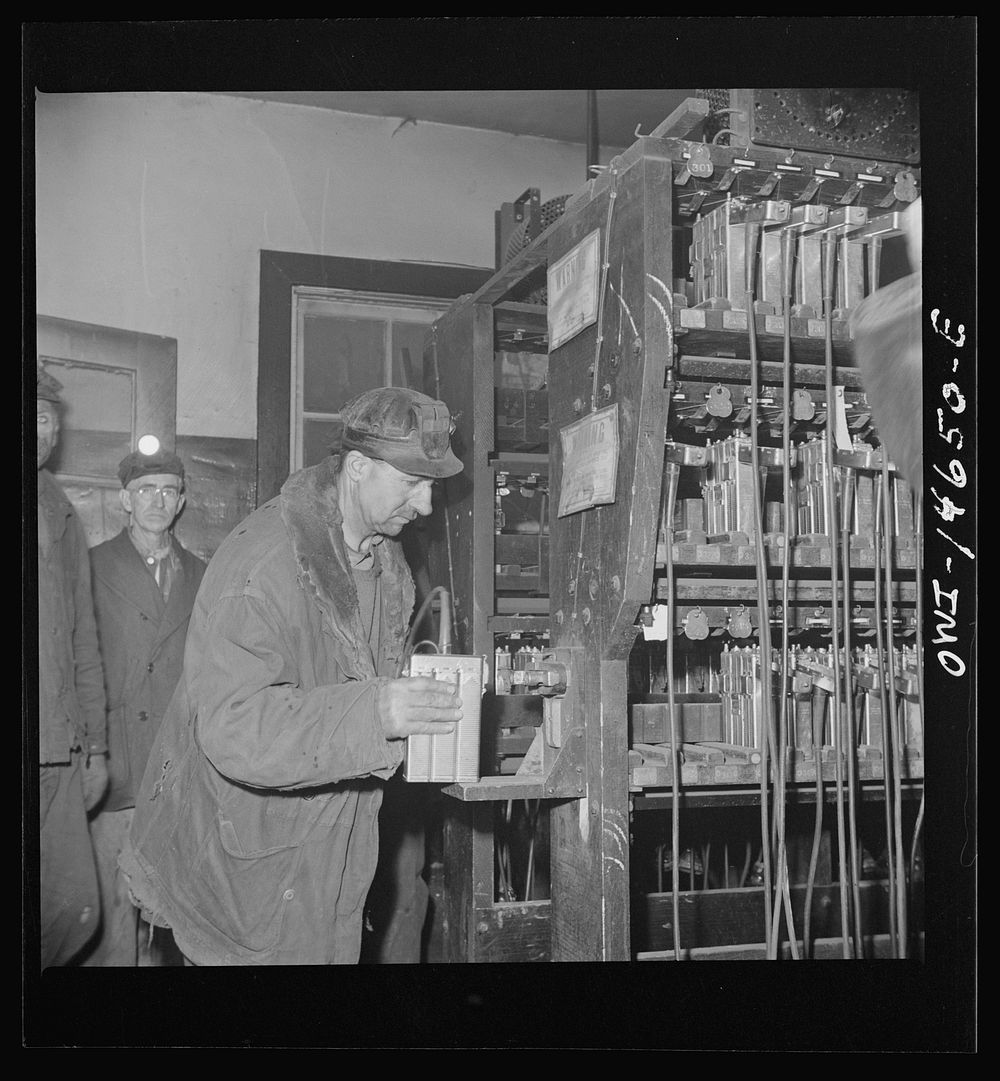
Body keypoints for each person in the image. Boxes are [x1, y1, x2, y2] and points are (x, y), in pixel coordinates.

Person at [119, 386, 464, 965]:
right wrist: (377, 713)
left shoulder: (382, 555)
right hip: (244, 868)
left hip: (327, 851)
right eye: (413, 483)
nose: (427, 506)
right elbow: (234, 726)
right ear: (357, 467)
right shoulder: (263, 564)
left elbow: (354, 675)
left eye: (433, 485)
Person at [83, 448, 207, 965]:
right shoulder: (91, 567)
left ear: (180, 502)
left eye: (167, 490)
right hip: (117, 765)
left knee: (171, 919)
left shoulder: (202, 574)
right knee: (113, 920)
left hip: (176, 768)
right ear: (123, 501)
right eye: (144, 490)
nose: (156, 500)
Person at [36, 365, 108, 967]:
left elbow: (83, 637)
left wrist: (96, 748)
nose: (36, 426)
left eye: (44, 415)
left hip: (56, 748)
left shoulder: (58, 511)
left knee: (74, 905)